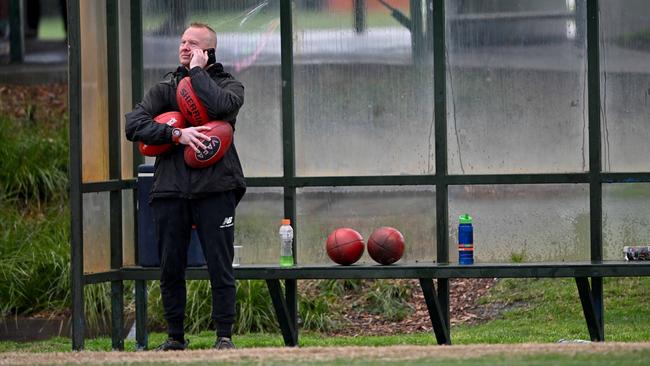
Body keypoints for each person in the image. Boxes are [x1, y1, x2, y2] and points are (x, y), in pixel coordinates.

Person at [125, 22, 245, 351]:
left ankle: (224, 336)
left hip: (216, 187)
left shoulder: (229, 85)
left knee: (220, 263)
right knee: (170, 265)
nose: (184, 46)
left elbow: (221, 108)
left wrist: (197, 74)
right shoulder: (166, 87)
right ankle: (175, 337)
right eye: (182, 41)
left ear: (208, 52)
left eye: (192, 43)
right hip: (169, 189)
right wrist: (175, 135)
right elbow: (133, 125)